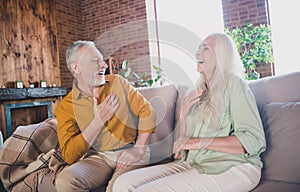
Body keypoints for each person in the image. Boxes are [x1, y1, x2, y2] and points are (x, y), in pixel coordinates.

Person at [112, 33, 266, 192]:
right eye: (199, 48)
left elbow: (254, 140)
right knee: (122, 184)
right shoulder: (200, 92)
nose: (198, 52)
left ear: (221, 57)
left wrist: (197, 142)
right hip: (192, 164)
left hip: (232, 166)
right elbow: (180, 150)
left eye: (205, 48)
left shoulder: (234, 84)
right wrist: (183, 114)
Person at [54, 41, 156, 192]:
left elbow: (147, 111)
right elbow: (69, 155)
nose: (104, 65)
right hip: (99, 157)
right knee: (65, 181)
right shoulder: (66, 107)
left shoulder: (118, 82)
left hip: (132, 149)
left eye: (101, 59)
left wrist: (139, 149)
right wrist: (98, 121)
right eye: (95, 61)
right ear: (76, 68)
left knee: (116, 187)